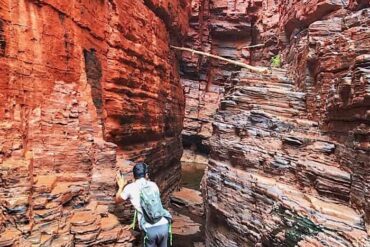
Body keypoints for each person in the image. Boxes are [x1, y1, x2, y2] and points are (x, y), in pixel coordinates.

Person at [115, 163, 172, 247]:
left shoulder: (130, 188)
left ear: (134, 175)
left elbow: (117, 200)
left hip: (149, 229)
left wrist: (121, 186)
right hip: (164, 224)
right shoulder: (154, 185)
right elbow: (151, 207)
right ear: (146, 174)